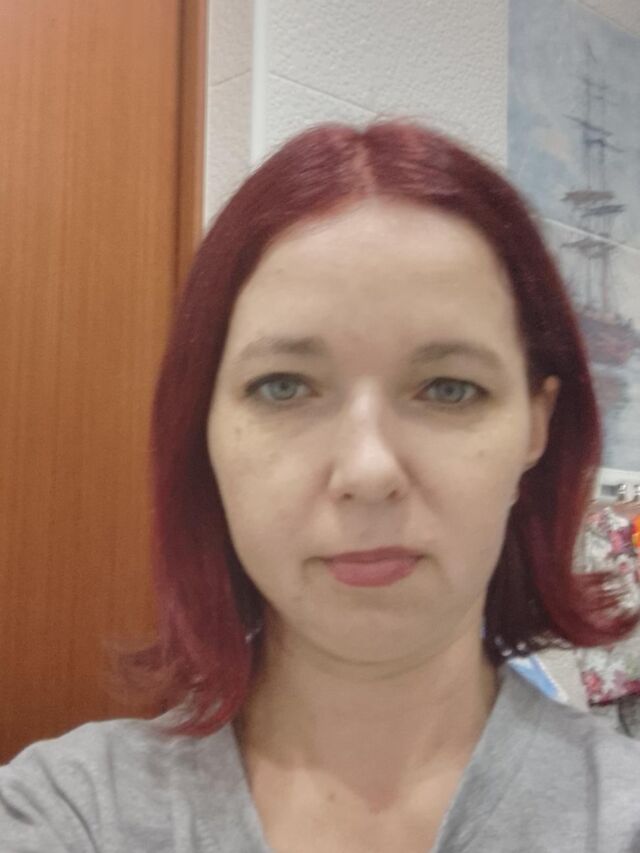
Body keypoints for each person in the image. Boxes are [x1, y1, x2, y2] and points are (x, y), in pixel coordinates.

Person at [2, 118, 640, 853]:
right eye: (283, 386)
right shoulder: (70, 815)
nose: (368, 472)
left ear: (535, 426)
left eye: (449, 388)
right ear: (203, 426)